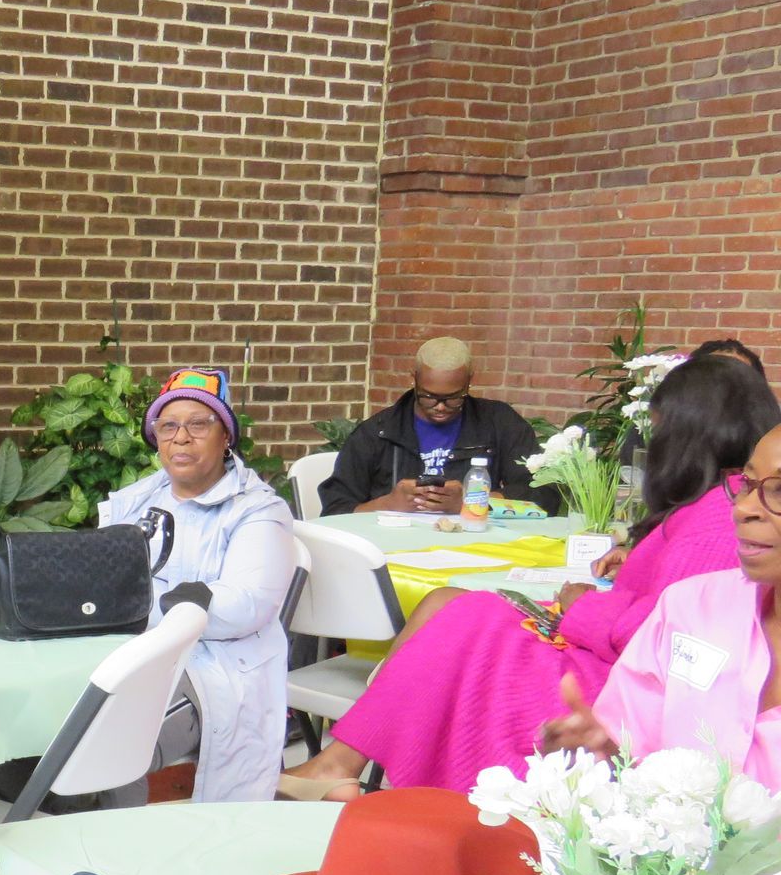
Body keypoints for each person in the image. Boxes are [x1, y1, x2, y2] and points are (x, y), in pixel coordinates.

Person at [281, 355, 781, 799]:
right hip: (606, 654)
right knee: (458, 606)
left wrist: (583, 605)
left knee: (468, 620)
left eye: (660, 431)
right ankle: (343, 763)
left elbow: (665, 638)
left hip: (616, 684)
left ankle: (352, 766)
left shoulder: (719, 517)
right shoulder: (715, 508)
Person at [541, 421, 781, 784]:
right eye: (746, 485)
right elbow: (629, 748)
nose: (744, 508)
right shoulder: (691, 606)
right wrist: (603, 754)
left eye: (780, 491)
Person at [99, 368, 295, 803]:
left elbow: (248, 605)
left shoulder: (259, 511)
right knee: (48, 723)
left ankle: (111, 842)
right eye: (168, 426)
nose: (180, 438)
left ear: (226, 436)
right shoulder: (135, 501)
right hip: (131, 654)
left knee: (108, 735)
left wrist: (163, 605)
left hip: (214, 668)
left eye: (198, 424)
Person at [317, 337, 554, 516]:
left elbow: (544, 493)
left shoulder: (499, 422)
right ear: (414, 378)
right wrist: (388, 505)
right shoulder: (377, 432)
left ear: (470, 381)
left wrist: (472, 501)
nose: (440, 407)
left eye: (454, 398)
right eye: (429, 396)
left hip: (474, 546)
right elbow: (334, 511)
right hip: (395, 547)